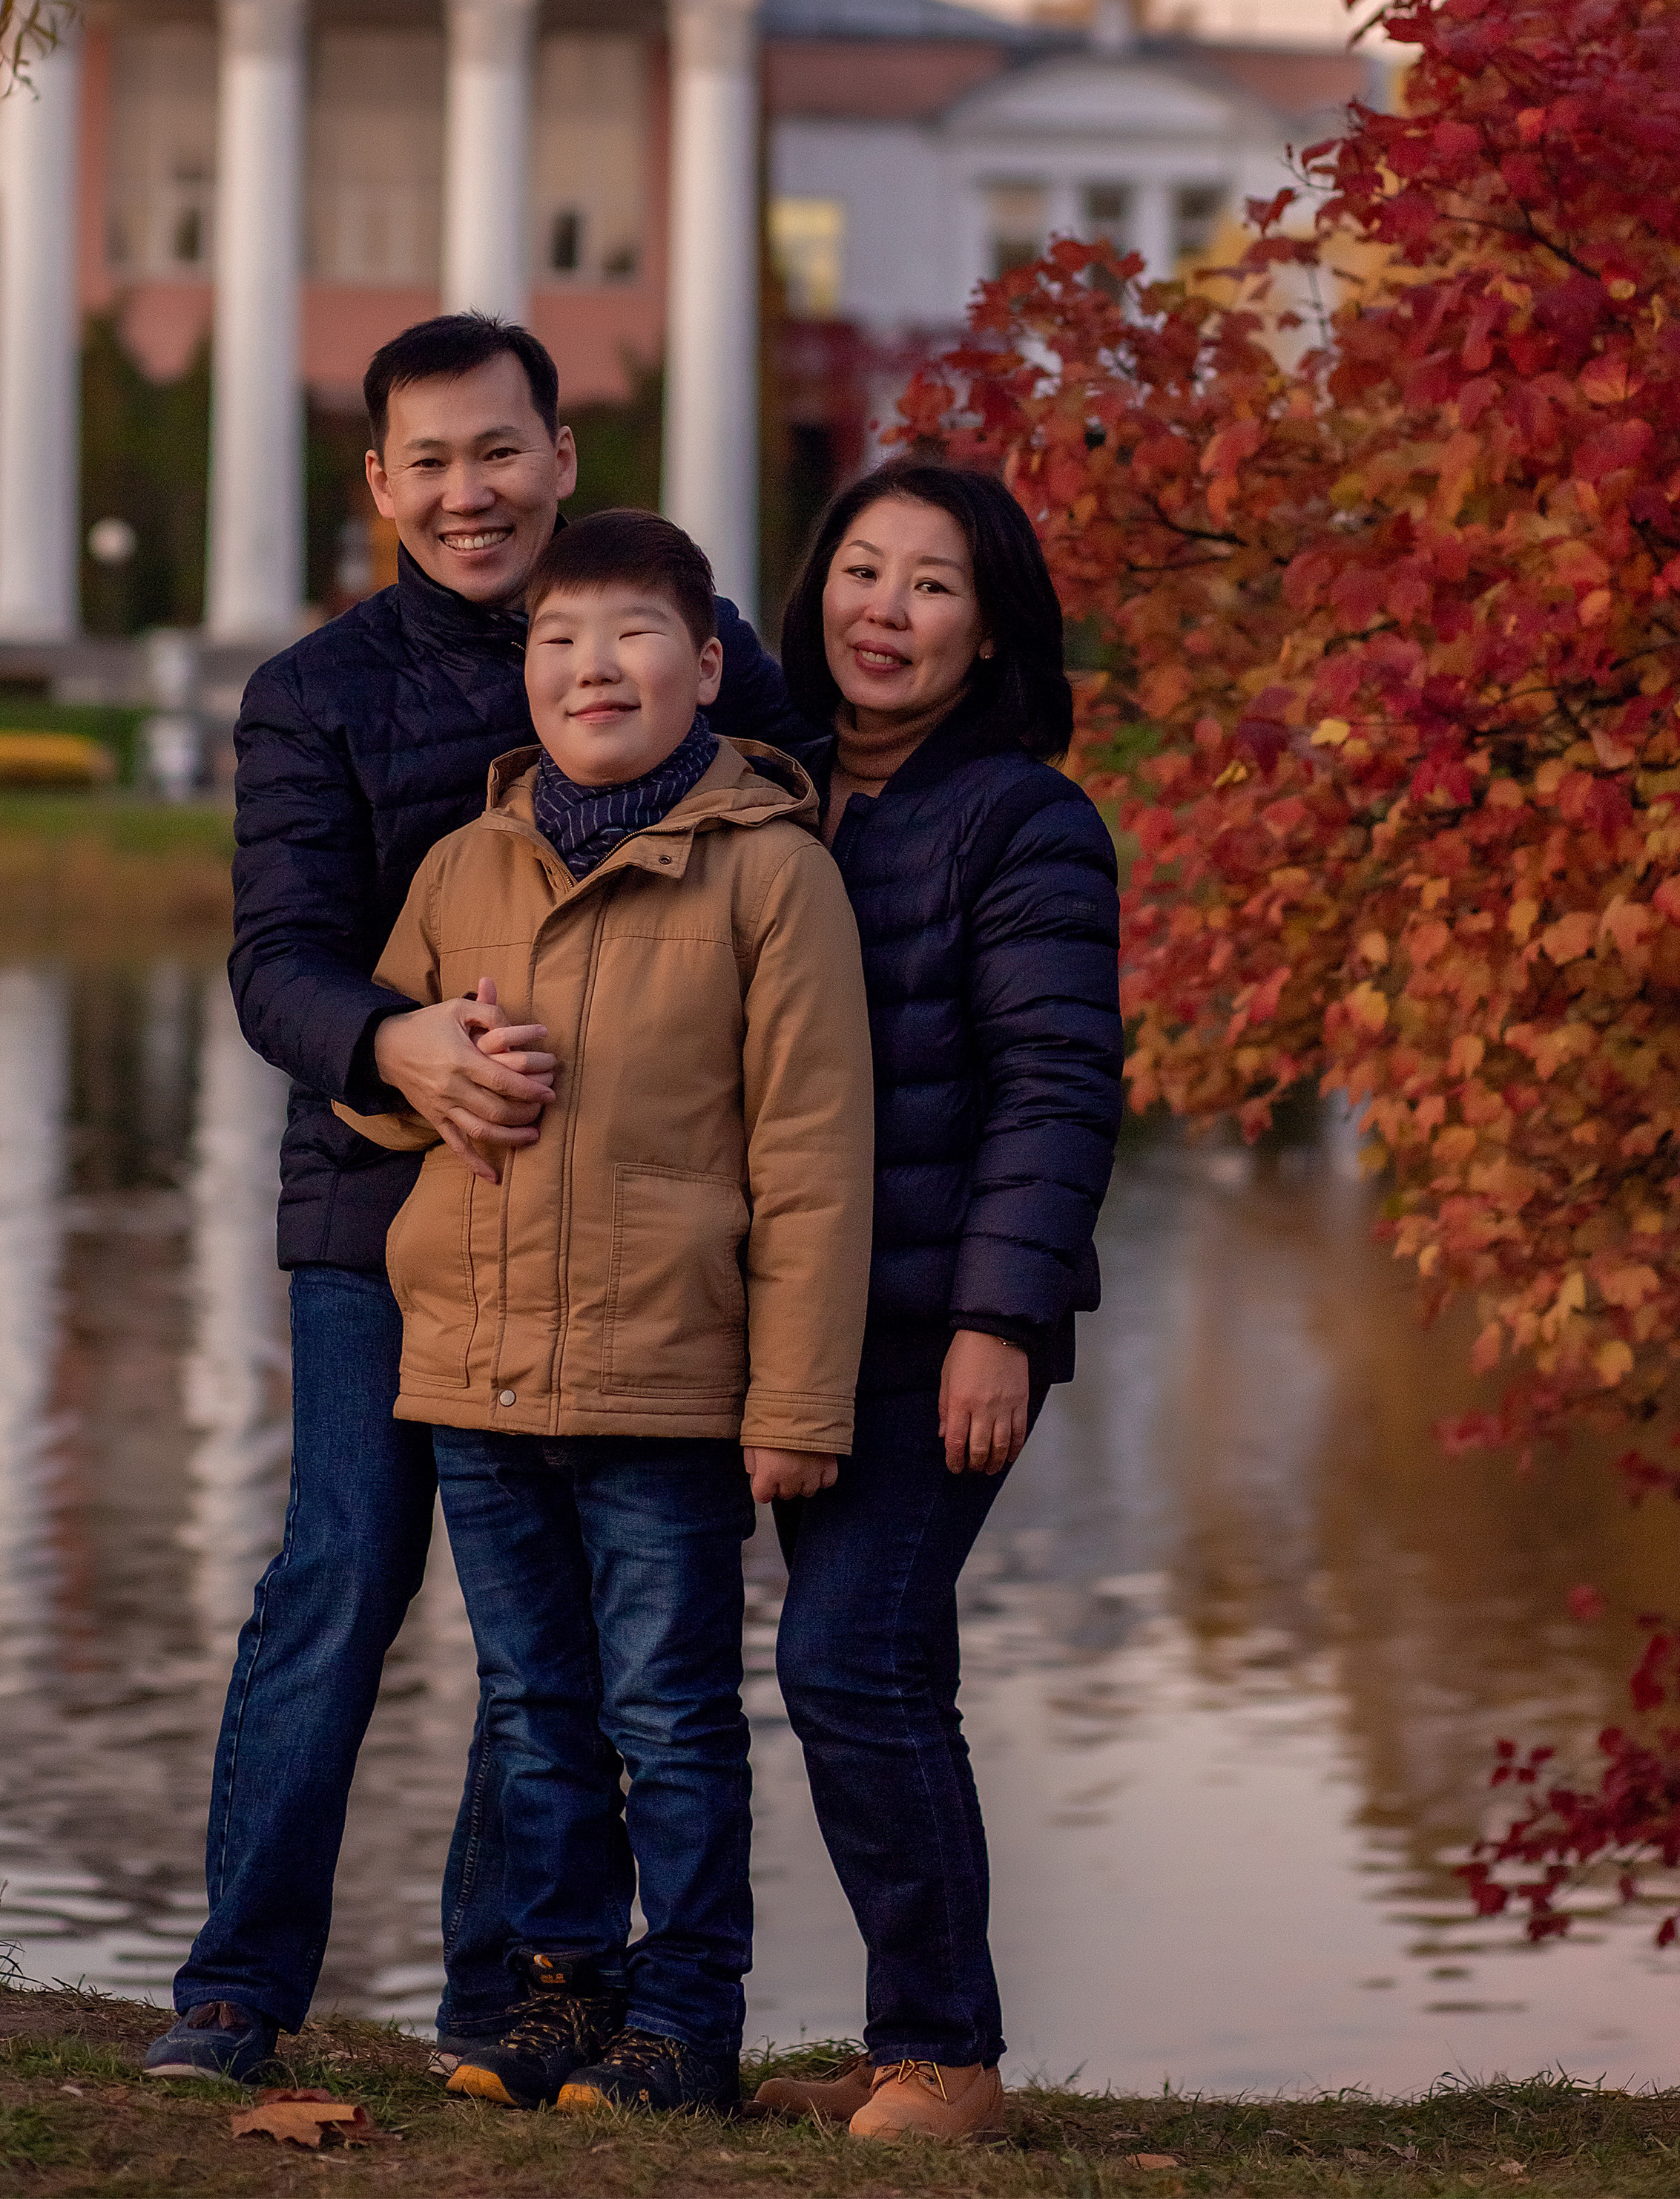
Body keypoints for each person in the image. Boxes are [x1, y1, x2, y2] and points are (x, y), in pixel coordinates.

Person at [145, 322, 804, 2083]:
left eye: (498, 452)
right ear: (377, 484)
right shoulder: (315, 693)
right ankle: (235, 1993)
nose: (467, 493)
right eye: (426, 461)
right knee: (344, 1579)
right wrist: (394, 1041)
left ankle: (502, 1996)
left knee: (562, 1646)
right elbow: (273, 963)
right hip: (384, 1215)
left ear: (562, 456)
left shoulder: (687, 641)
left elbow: (803, 809)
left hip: (620, 1239)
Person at [335, 508, 874, 2118]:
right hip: (480, 1377)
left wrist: (793, 1408)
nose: (592, 666)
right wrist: (430, 1059)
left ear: (704, 666)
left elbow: (812, 1157)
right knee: (531, 1708)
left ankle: (685, 2014)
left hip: (665, 1384)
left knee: (668, 1712)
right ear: (532, 674)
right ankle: (562, 1994)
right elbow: (375, 1098)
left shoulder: (771, 875)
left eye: (632, 636)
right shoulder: (463, 863)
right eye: (561, 641)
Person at [749, 459, 1124, 2146]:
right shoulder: (769, 792)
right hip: (777, 1317)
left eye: (930, 586)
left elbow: (1055, 1085)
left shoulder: (1021, 818)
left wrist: (996, 1322)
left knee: (853, 1660)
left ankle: (946, 2062)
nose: (880, 610)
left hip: (937, 1324)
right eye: (859, 571)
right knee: (840, 1666)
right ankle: (888, 2030)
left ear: (989, 637)